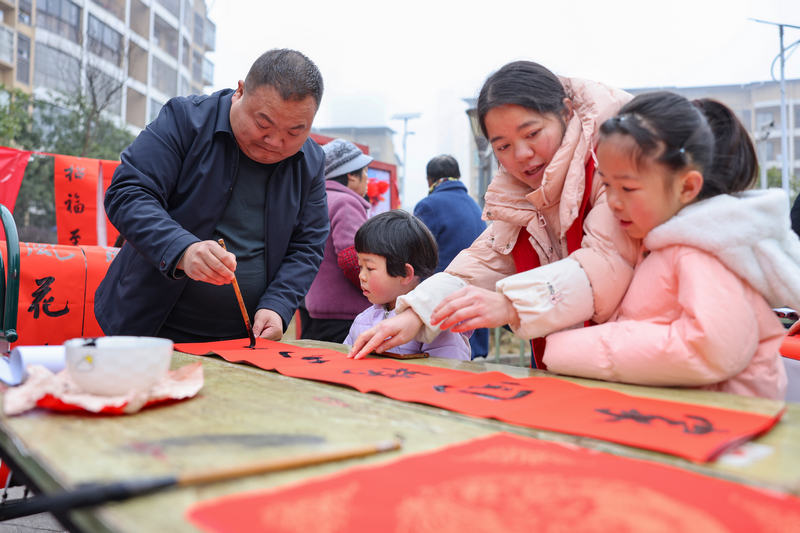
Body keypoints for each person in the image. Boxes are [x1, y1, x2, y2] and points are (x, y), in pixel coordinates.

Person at [350, 61, 639, 363]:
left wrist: (510, 304)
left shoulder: (615, 168)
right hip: (572, 364)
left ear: (566, 112)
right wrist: (414, 315)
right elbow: (476, 267)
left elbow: (605, 264)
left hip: (633, 363)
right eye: (503, 147)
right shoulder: (519, 198)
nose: (522, 155)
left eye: (532, 133)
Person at [544, 92, 800, 400]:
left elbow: (708, 347)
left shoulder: (700, 250)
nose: (612, 202)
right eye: (607, 184)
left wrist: (569, 349)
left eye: (629, 186)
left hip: (719, 424)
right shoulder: (664, 241)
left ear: (688, 184)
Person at [96, 49, 329, 343]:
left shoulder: (310, 161)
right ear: (240, 92)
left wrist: (279, 304)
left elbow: (307, 244)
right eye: (263, 124)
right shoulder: (185, 119)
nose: (275, 142)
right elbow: (128, 192)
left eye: (295, 132)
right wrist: (182, 250)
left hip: (241, 340)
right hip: (147, 325)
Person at [345, 210, 471, 360]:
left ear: (405, 274)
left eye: (370, 268)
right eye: (360, 266)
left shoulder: (433, 327)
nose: (361, 276)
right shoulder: (362, 321)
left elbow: (447, 372)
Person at [413, 155, 489, 358]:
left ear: (430, 180)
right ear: (458, 176)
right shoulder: (474, 205)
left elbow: (415, 254)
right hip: (476, 306)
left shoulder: (428, 205)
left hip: (445, 308)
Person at [301, 139, 373, 343]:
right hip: (344, 313)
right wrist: (377, 291)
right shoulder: (345, 202)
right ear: (351, 173)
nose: (367, 178)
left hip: (314, 306)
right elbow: (352, 257)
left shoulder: (318, 198)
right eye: (365, 171)